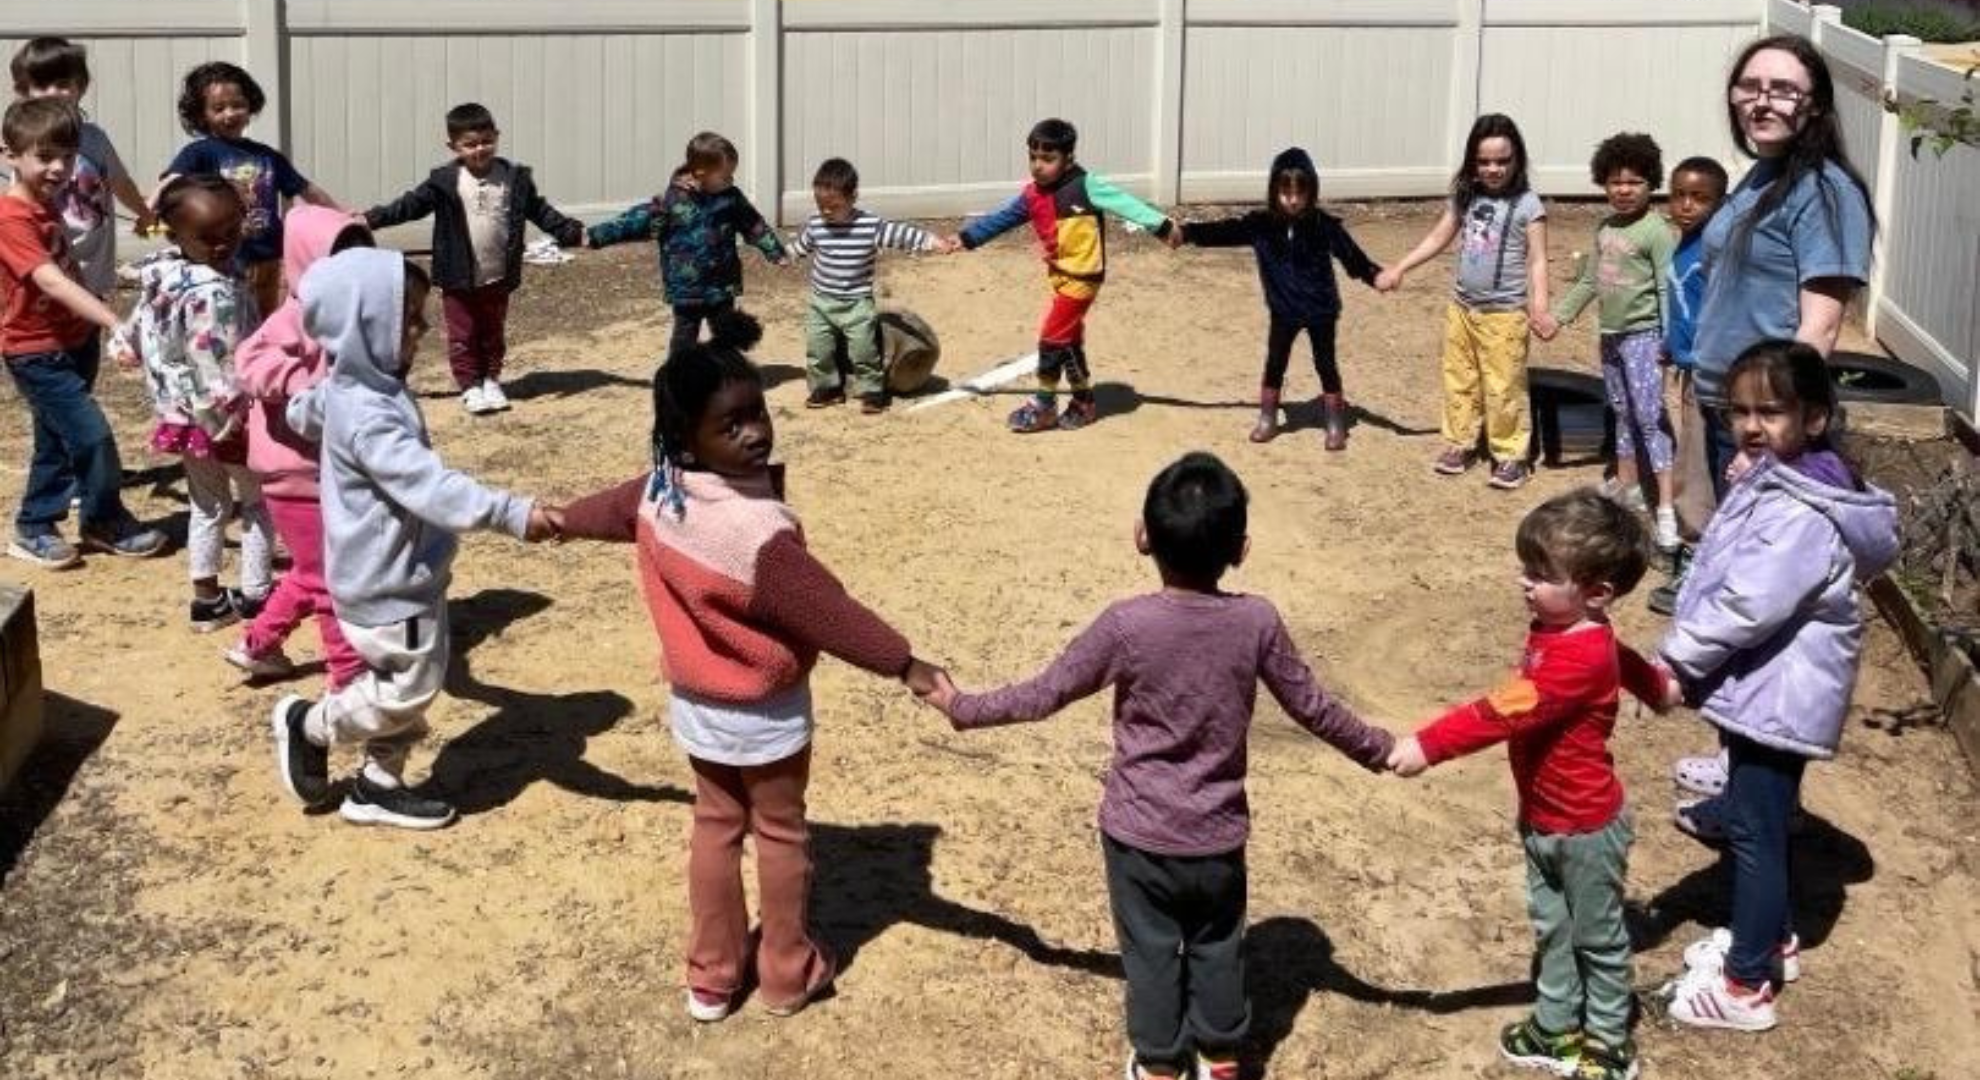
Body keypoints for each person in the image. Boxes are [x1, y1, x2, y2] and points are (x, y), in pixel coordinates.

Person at [921, 452, 1395, 1080]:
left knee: (1149, 953)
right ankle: (1221, 1054)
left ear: (1143, 537)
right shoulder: (1257, 621)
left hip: (1138, 838)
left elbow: (1048, 691)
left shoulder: (1127, 626)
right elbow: (1313, 706)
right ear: (1242, 548)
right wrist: (1380, 748)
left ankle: (1161, 1063)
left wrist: (964, 707)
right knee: (1218, 945)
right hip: (1218, 836)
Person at [550, 310, 945, 1022]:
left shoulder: (660, 490)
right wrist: (905, 663)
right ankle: (788, 972)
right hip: (765, 714)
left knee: (715, 825)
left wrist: (557, 520)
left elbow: (608, 510)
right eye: (731, 425)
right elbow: (830, 612)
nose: (756, 432)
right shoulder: (755, 535)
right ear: (686, 439)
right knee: (783, 833)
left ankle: (712, 978)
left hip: (699, 708)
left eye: (758, 413)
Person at [1388, 490, 1672, 1080]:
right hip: (1544, 818)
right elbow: (1622, 653)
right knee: (1555, 928)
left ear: (1596, 593)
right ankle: (1555, 1023)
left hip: (1586, 829)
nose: (1525, 583)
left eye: (1542, 575)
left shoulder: (1580, 656)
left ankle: (1607, 1040)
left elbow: (1503, 710)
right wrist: (1658, 688)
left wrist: (1428, 745)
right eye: (1527, 569)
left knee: (1597, 937)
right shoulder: (1567, 628)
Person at [270, 249, 556, 831]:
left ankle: (379, 786)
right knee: (407, 689)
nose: (422, 331)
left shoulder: (355, 385)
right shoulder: (370, 411)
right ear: (364, 325)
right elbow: (426, 485)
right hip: (386, 580)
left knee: (404, 680)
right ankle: (310, 725)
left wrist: (302, 409)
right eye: (409, 319)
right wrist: (510, 513)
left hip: (400, 572)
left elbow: (309, 410)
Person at [1658, 341, 1896, 1033]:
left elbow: (1747, 605)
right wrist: (1752, 480)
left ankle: (1746, 985)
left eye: (1772, 411)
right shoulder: (1790, 479)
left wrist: (1676, 660)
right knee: (1756, 822)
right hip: (1770, 689)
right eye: (1740, 412)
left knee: (1755, 834)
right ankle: (1775, 937)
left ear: (1816, 417)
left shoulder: (1802, 511)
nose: (1753, 425)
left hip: (1779, 699)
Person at [0, 97, 167, 568]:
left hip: (74, 342)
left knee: (55, 440)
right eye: (45, 156)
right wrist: (114, 320)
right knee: (92, 437)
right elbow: (48, 278)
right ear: (10, 154)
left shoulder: (47, 206)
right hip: (35, 352)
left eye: (68, 156)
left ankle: (36, 524)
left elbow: (66, 270)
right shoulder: (11, 218)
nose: (59, 168)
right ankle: (103, 516)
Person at [111, 174, 271, 631]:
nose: (223, 244)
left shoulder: (163, 273)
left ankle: (206, 599)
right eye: (208, 237)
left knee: (209, 505)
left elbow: (129, 339)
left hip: (180, 418)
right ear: (175, 232)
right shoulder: (213, 291)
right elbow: (215, 363)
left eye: (231, 232)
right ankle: (257, 593)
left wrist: (130, 351)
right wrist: (230, 419)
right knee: (259, 502)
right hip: (224, 417)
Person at [950, 118, 1180, 433]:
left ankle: (1044, 405)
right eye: (1033, 157)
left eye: (1048, 158)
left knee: (1051, 338)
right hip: (1059, 275)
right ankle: (1084, 403)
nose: (1038, 166)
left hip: (1084, 277)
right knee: (1068, 341)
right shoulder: (1032, 195)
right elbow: (1002, 218)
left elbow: (1124, 203)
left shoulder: (1085, 186)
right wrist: (965, 239)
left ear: (1068, 157)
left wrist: (1163, 226)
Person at [225, 205, 375, 682]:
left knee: (312, 569)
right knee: (330, 582)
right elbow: (249, 362)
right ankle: (347, 678)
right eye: (338, 263)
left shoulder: (346, 317)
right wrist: (300, 382)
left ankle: (257, 644)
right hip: (293, 471)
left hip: (329, 468)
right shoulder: (295, 316)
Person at [364, 102, 585, 416]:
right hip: (458, 275)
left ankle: (492, 380)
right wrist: (372, 219)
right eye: (470, 144)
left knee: (493, 331)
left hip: (498, 274)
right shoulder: (443, 182)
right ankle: (469, 385)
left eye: (486, 141)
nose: (480, 149)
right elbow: (409, 205)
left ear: (496, 136)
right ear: (453, 146)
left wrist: (571, 232)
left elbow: (539, 210)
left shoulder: (514, 178)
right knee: (463, 333)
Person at [1376, 114, 1555, 490]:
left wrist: (1539, 307)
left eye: (1502, 160)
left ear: (1517, 159)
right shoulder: (1465, 196)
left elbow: (1537, 259)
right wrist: (1401, 267)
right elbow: (1439, 236)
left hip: (1504, 315)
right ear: (1472, 161)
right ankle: (1460, 443)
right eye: (1484, 161)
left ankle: (1509, 455)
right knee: (1459, 379)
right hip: (1462, 309)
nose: (1493, 169)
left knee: (1503, 386)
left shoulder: (1527, 204)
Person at [1181, 147, 1381, 449]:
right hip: (1283, 311)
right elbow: (1223, 230)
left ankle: (1335, 420)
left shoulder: (1323, 225)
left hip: (1320, 310)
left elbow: (1352, 257)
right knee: (1275, 362)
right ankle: (1268, 416)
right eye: (1285, 191)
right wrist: (1186, 233)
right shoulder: (1261, 225)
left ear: (1310, 192)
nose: (1292, 199)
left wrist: (1375, 276)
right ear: (1274, 190)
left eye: (1300, 192)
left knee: (1325, 363)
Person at [1551, 133, 1680, 550]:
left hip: (1645, 337)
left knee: (1649, 417)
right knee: (1623, 411)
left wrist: (1669, 339)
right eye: (1615, 182)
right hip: (1611, 335)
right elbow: (1590, 279)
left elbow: (1666, 288)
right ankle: (1627, 489)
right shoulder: (1604, 227)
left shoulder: (1657, 231)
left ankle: (1665, 507)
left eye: (1635, 182)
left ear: (1652, 184)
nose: (1624, 191)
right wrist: (1559, 315)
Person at [587, 131, 787, 361]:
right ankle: (680, 380)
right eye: (725, 176)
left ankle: (726, 374)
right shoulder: (670, 201)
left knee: (726, 333)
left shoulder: (730, 197)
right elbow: (635, 221)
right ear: (700, 172)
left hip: (722, 283)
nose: (731, 181)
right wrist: (595, 236)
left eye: (732, 175)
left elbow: (753, 223)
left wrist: (774, 251)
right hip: (686, 288)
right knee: (684, 338)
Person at [164, 62, 338, 316]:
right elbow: (172, 185)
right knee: (230, 319)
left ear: (250, 107)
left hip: (271, 257)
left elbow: (306, 189)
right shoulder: (198, 154)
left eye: (237, 105)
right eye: (218, 108)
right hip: (224, 260)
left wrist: (341, 214)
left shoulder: (267, 156)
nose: (230, 113)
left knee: (268, 321)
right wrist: (152, 209)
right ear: (202, 115)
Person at [787, 157, 948, 414]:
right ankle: (827, 387)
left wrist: (931, 242)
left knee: (864, 349)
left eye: (834, 206)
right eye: (821, 205)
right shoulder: (816, 224)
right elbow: (800, 247)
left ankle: (872, 390)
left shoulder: (868, 225)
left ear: (852, 198)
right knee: (818, 348)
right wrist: (783, 254)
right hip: (821, 302)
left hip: (857, 303)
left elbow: (901, 235)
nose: (826, 211)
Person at [8, 37, 158, 299]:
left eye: (63, 84)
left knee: (87, 333)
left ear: (81, 86)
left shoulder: (94, 139)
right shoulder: (24, 141)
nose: (54, 92)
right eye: (42, 85)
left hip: (92, 264)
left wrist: (145, 215)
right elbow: (18, 204)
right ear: (24, 92)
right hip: (46, 262)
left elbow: (120, 183)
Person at [1648, 155, 1729, 618]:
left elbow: (1715, 312)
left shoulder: (1711, 254)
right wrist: (1670, 344)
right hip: (1687, 368)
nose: (1686, 205)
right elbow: (1684, 309)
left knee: (1697, 466)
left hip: (1708, 372)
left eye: (1699, 198)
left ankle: (1697, 561)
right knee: (1691, 459)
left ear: (1720, 205)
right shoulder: (1684, 246)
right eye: (1679, 194)